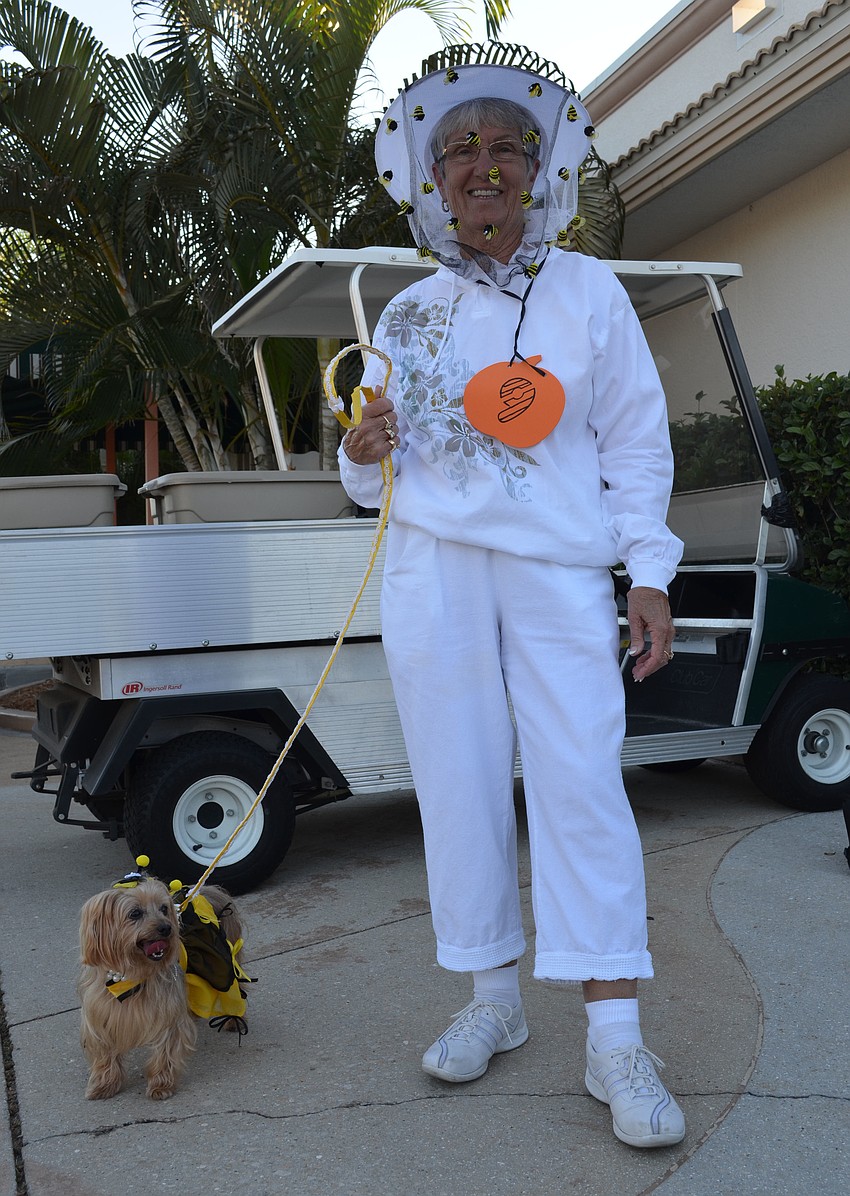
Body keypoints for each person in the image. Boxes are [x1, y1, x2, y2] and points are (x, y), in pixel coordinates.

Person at [337, 63, 686, 1150]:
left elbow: (635, 443)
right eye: (459, 150)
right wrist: (359, 449)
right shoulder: (405, 310)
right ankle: (493, 997)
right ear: (432, 179)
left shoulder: (588, 292)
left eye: (504, 148)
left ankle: (614, 1036)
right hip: (433, 571)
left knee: (583, 780)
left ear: (539, 170)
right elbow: (371, 477)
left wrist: (649, 572)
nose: (482, 166)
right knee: (457, 781)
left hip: (556, 571)